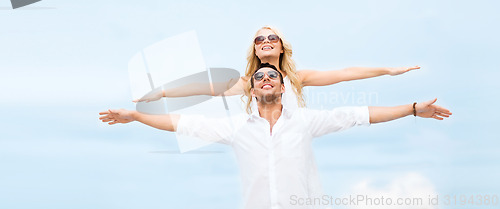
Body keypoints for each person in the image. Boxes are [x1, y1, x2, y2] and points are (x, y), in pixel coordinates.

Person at [101, 63, 451, 209]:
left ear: (284, 87)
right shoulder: (235, 128)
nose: (265, 79)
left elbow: (362, 116)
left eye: (272, 76)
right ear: (251, 90)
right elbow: (180, 124)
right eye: (258, 78)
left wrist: (413, 107)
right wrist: (135, 116)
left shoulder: (307, 121)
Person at [135, 26, 420, 113]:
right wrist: (161, 92)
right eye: (260, 39)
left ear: (281, 47)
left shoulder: (298, 79)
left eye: (272, 38)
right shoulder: (246, 83)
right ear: (256, 50)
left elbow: (346, 72)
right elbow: (202, 88)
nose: (266, 41)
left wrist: (388, 70)